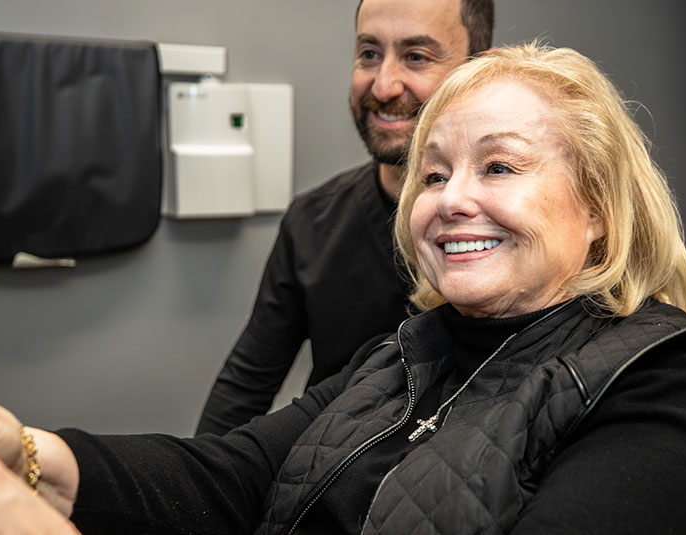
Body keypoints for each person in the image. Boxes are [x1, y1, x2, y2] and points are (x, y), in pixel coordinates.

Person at [0, 42, 686, 534]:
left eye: (498, 165)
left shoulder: (661, 380)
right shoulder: (405, 349)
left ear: (599, 211)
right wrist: (21, 451)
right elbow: (232, 475)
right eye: (433, 173)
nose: (450, 198)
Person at [196, 0, 495, 435]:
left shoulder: (509, 225)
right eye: (369, 54)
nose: (385, 86)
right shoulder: (312, 222)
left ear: (478, 72)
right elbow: (244, 387)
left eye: (416, 56)